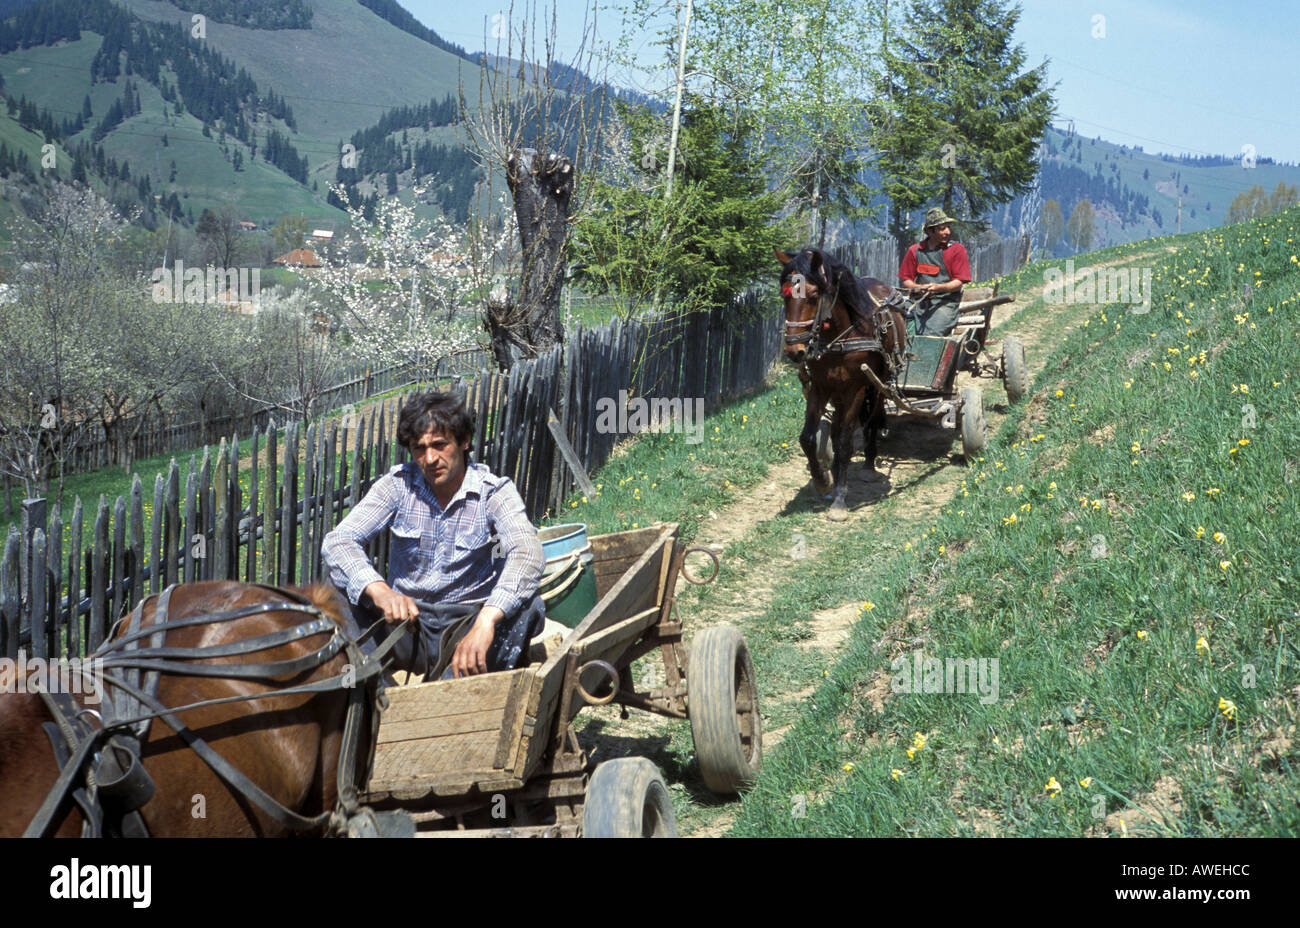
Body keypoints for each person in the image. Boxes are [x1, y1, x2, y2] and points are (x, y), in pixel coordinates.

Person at [321, 391, 545, 679]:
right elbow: (339, 541)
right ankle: (375, 690)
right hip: (406, 626)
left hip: (468, 627)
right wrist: (379, 590)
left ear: (464, 442)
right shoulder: (397, 486)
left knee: (529, 605)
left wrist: (487, 619)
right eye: (419, 448)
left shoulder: (493, 492)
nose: (429, 458)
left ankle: (457, 688)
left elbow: (528, 553)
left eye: (440, 445)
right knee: (335, 591)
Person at [897, 207, 972, 336]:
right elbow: (906, 280)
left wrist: (939, 288)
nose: (948, 232)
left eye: (948, 227)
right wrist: (918, 287)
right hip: (918, 302)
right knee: (893, 323)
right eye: (942, 228)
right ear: (929, 231)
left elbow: (959, 282)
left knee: (931, 333)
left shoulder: (956, 250)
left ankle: (926, 355)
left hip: (946, 303)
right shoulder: (915, 251)